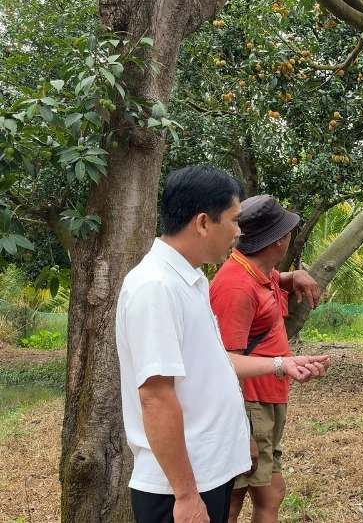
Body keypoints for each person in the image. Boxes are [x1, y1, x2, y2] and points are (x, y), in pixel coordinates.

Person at [116, 165, 330, 523]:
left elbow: (217, 362)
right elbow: (155, 396)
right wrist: (185, 495)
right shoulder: (155, 288)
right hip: (179, 486)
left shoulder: (191, 279)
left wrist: (280, 364)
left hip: (207, 470)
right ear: (202, 223)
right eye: (233, 221)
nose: (238, 232)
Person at [209, 194, 321, 523]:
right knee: (232, 499)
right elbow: (223, 365)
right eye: (287, 232)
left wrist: (292, 277)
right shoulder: (235, 287)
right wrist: (241, 433)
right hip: (249, 405)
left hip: (267, 401)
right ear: (278, 241)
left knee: (270, 492)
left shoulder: (260, 272)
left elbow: (272, 283)